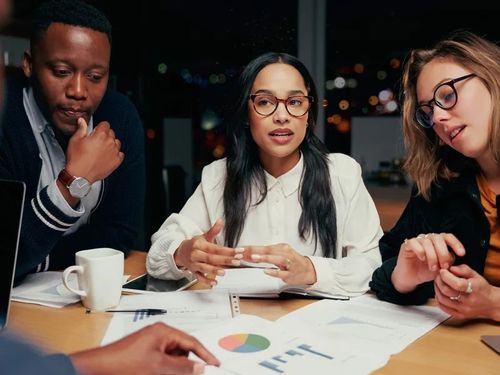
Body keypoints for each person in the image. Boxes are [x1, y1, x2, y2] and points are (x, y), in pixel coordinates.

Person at [147, 52, 383, 296]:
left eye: (295, 102)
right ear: (247, 114)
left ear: (308, 112)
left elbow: (371, 263)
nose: (282, 116)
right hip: (240, 325)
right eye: (265, 102)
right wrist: (183, 252)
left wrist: (312, 270)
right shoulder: (219, 176)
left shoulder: (342, 174)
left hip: (318, 327)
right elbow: (157, 256)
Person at [0, 0, 145, 281]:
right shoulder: (5, 115)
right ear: (29, 64)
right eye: (62, 72)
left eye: (94, 77)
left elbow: (120, 234)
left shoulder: (120, 116)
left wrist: (34, 260)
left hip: (76, 297)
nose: (78, 91)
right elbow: (3, 259)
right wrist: (72, 181)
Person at [370, 30, 500, 321]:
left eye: (447, 94)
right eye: (428, 111)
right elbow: (383, 267)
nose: (438, 118)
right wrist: (405, 276)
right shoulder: (442, 185)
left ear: (493, 79)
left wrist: (494, 304)